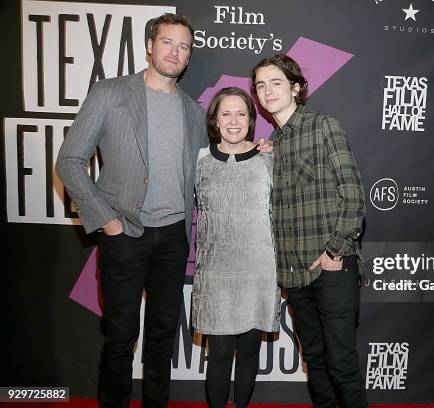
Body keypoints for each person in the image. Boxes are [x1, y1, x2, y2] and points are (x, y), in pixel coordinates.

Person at [56, 13, 204, 408]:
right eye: (168, 42)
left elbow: (209, 169)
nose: (175, 51)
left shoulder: (193, 111)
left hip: (173, 238)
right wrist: (107, 220)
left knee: (162, 335)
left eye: (184, 46)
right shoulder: (110, 93)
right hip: (125, 235)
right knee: (120, 337)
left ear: (189, 57)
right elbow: (70, 160)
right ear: (150, 45)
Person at [251, 54, 368, 408]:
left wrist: (335, 251)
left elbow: (353, 194)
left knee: (341, 364)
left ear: (296, 87)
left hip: (331, 268)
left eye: (276, 82)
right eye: (260, 86)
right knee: (315, 361)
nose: (267, 91)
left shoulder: (323, 126)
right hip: (294, 273)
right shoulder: (272, 145)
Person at [191, 87, 280, 408]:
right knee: (220, 354)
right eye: (225, 113)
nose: (233, 120)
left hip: (258, 269)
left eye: (241, 113)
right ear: (214, 119)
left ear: (252, 120)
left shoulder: (269, 157)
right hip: (216, 272)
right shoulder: (199, 158)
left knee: (249, 352)